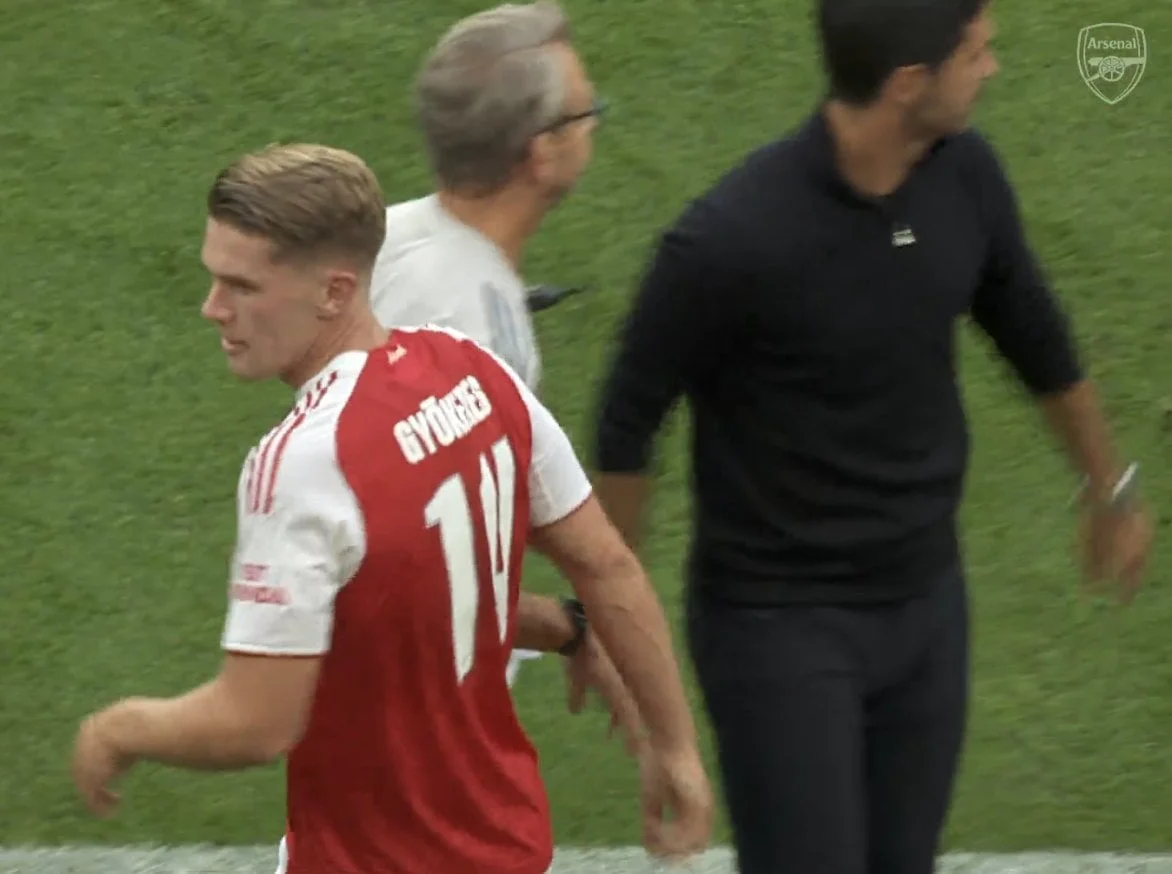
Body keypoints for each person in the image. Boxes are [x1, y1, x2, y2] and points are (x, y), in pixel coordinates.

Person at [590, 1, 1154, 873]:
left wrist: (1109, 488)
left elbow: (1036, 337)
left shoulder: (965, 177)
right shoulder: (730, 240)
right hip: (778, 625)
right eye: (976, 54)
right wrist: (613, 622)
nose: (993, 69)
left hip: (925, 605)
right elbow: (628, 422)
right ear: (908, 83)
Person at [70, 143, 714, 873]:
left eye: (241, 286)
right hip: (504, 849)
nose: (212, 308)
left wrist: (120, 729)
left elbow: (257, 723)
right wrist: (675, 748)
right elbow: (600, 566)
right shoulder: (474, 372)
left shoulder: (305, 462)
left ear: (334, 292)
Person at [372, 0, 607, 689]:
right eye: (585, 113)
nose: (595, 124)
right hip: (418, 711)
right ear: (541, 150)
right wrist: (569, 628)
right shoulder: (464, 329)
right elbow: (425, 572)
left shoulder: (395, 234)